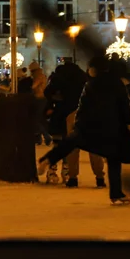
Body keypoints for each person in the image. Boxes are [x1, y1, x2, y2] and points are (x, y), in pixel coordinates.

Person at [40, 55, 130, 205]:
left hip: (90, 123)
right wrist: (129, 123)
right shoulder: (115, 83)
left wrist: (78, 124)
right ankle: (114, 191)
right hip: (112, 124)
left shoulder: (91, 84)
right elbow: (124, 103)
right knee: (113, 158)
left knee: (72, 143)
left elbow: (83, 106)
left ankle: (50, 160)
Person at [43, 58, 103, 187]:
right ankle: (99, 177)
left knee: (72, 147)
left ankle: (72, 177)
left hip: (68, 113)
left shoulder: (59, 77)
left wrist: (57, 98)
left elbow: (47, 92)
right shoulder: (84, 78)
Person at [28, 61, 53, 145]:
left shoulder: (38, 76)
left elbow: (34, 86)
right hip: (42, 98)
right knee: (39, 118)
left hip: (39, 98)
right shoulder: (41, 75)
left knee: (35, 118)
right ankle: (39, 138)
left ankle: (46, 136)